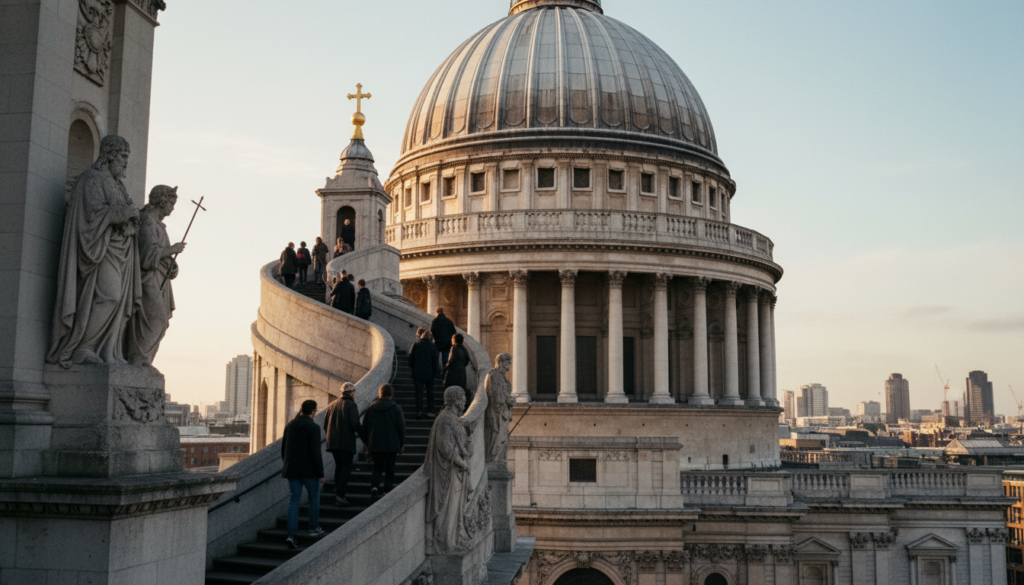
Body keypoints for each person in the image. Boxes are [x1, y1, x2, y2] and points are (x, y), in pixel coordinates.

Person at [47, 135, 141, 368]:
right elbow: (93, 214)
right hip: (101, 250)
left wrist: (131, 220)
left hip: (121, 251)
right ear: (110, 154)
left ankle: (107, 349)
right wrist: (125, 213)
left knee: (117, 301)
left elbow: (124, 213)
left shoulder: (118, 185)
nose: (126, 162)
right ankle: (82, 348)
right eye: (123, 156)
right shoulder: (92, 179)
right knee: (110, 296)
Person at [125, 185, 185, 367]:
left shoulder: (158, 225)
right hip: (148, 278)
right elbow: (146, 256)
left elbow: (161, 257)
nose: (173, 208)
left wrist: (172, 266)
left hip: (160, 278)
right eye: (171, 203)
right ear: (161, 201)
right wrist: (171, 250)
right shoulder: (147, 222)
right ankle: (138, 357)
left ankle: (144, 359)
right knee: (155, 317)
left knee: (161, 320)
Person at [281, 399, 325, 548]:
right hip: (309, 471)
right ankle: (313, 527)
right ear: (313, 411)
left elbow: (283, 449)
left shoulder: (290, 426)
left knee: (294, 500)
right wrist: (320, 472)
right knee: (314, 497)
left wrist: (288, 464)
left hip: (292, 469)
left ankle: (291, 535)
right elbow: (315, 452)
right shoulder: (313, 427)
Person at [362, 383, 406, 498]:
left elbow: (365, 426)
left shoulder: (372, 407)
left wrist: (366, 442)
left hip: (375, 443)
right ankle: (387, 489)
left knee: (377, 467)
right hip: (391, 444)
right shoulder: (396, 408)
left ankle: (375, 487)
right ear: (391, 394)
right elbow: (401, 427)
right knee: (390, 469)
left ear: (380, 393)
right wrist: (401, 443)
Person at [323, 383, 363, 506]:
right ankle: (340, 495)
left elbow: (325, 425)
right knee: (346, 467)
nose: (354, 395)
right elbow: (355, 424)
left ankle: (337, 488)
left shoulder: (332, 405)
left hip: (333, 442)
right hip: (345, 442)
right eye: (353, 393)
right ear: (350, 393)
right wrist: (366, 438)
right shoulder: (351, 405)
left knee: (339, 466)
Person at [408, 328, 437, 419]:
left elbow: (410, 358)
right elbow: (435, 361)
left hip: (418, 373)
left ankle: (419, 411)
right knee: (430, 393)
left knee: (418, 393)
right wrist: (435, 372)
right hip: (429, 373)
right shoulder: (432, 346)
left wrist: (413, 368)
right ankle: (429, 411)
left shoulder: (416, 344)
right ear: (430, 337)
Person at [443, 333, 471, 405]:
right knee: (460, 388)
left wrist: (446, 367)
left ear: (454, 340)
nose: (451, 340)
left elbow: (451, 360)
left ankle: (450, 404)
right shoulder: (464, 349)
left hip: (453, 371)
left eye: (452, 339)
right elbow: (467, 360)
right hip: (462, 372)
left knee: (451, 388)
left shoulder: (454, 348)